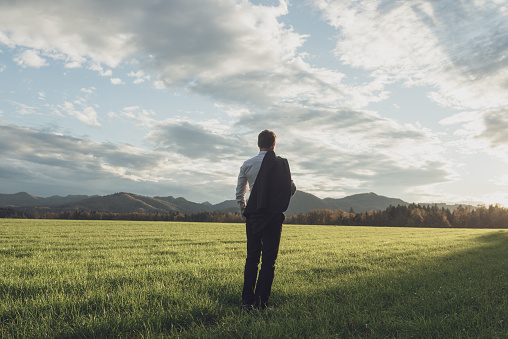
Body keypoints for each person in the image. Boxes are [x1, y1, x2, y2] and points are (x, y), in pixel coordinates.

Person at [236, 130, 296, 310]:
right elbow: (291, 188)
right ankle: (261, 303)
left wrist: (245, 212)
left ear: (258, 144)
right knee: (269, 261)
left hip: (253, 216)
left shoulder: (248, 164)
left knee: (252, 258)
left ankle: (247, 301)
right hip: (274, 216)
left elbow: (240, 193)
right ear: (274, 144)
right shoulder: (281, 164)